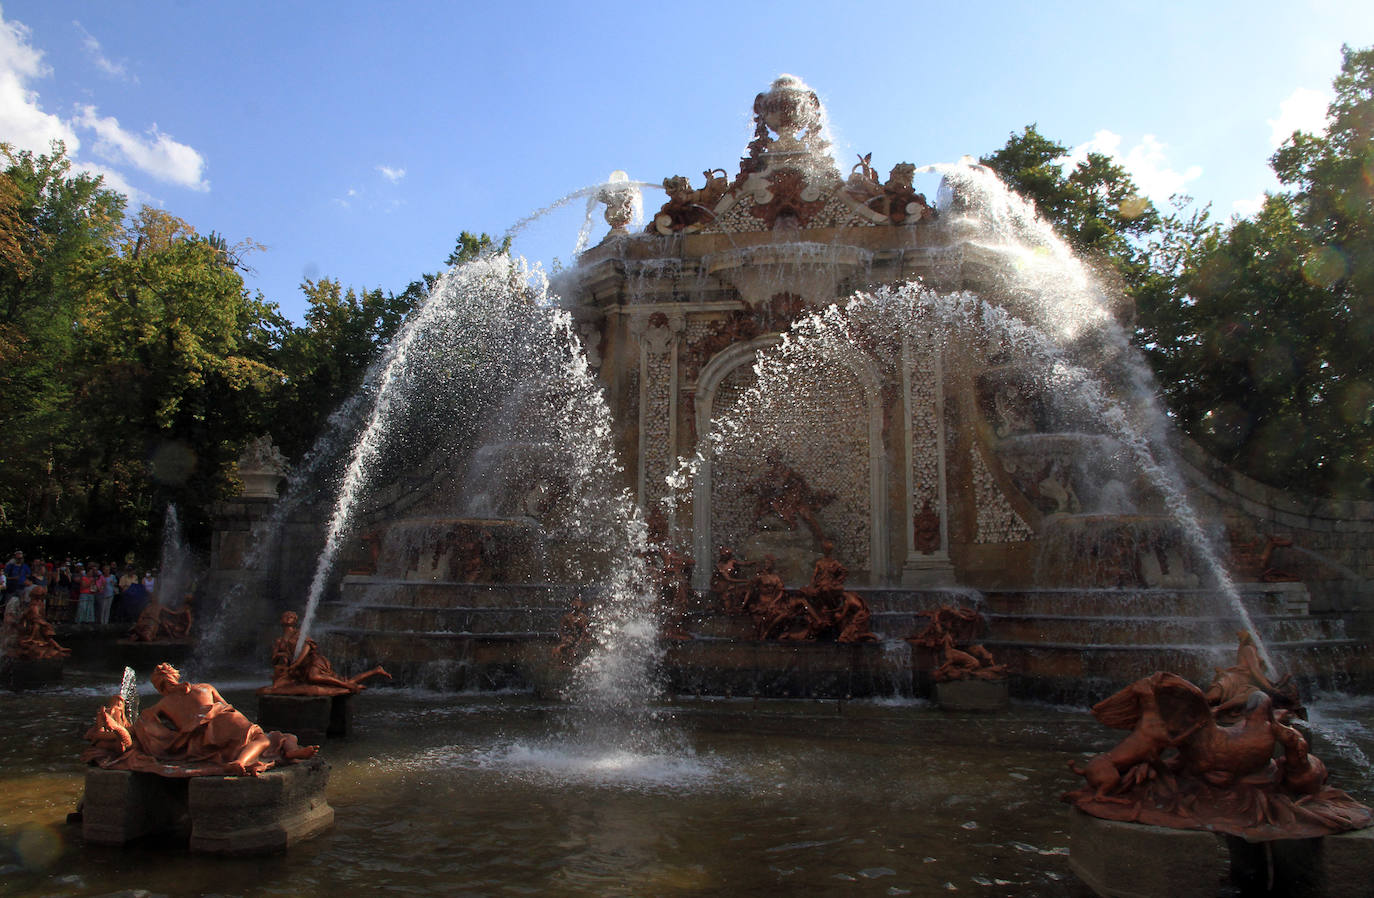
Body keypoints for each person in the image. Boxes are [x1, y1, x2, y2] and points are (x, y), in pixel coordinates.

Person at [86, 663, 318, 776]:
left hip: (201, 742)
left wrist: (120, 718)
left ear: (159, 686)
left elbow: (142, 726)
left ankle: (286, 752)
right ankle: (242, 761)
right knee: (265, 739)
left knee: (271, 739)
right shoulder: (204, 688)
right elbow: (227, 706)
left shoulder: (162, 705)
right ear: (174, 675)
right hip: (226, 722)